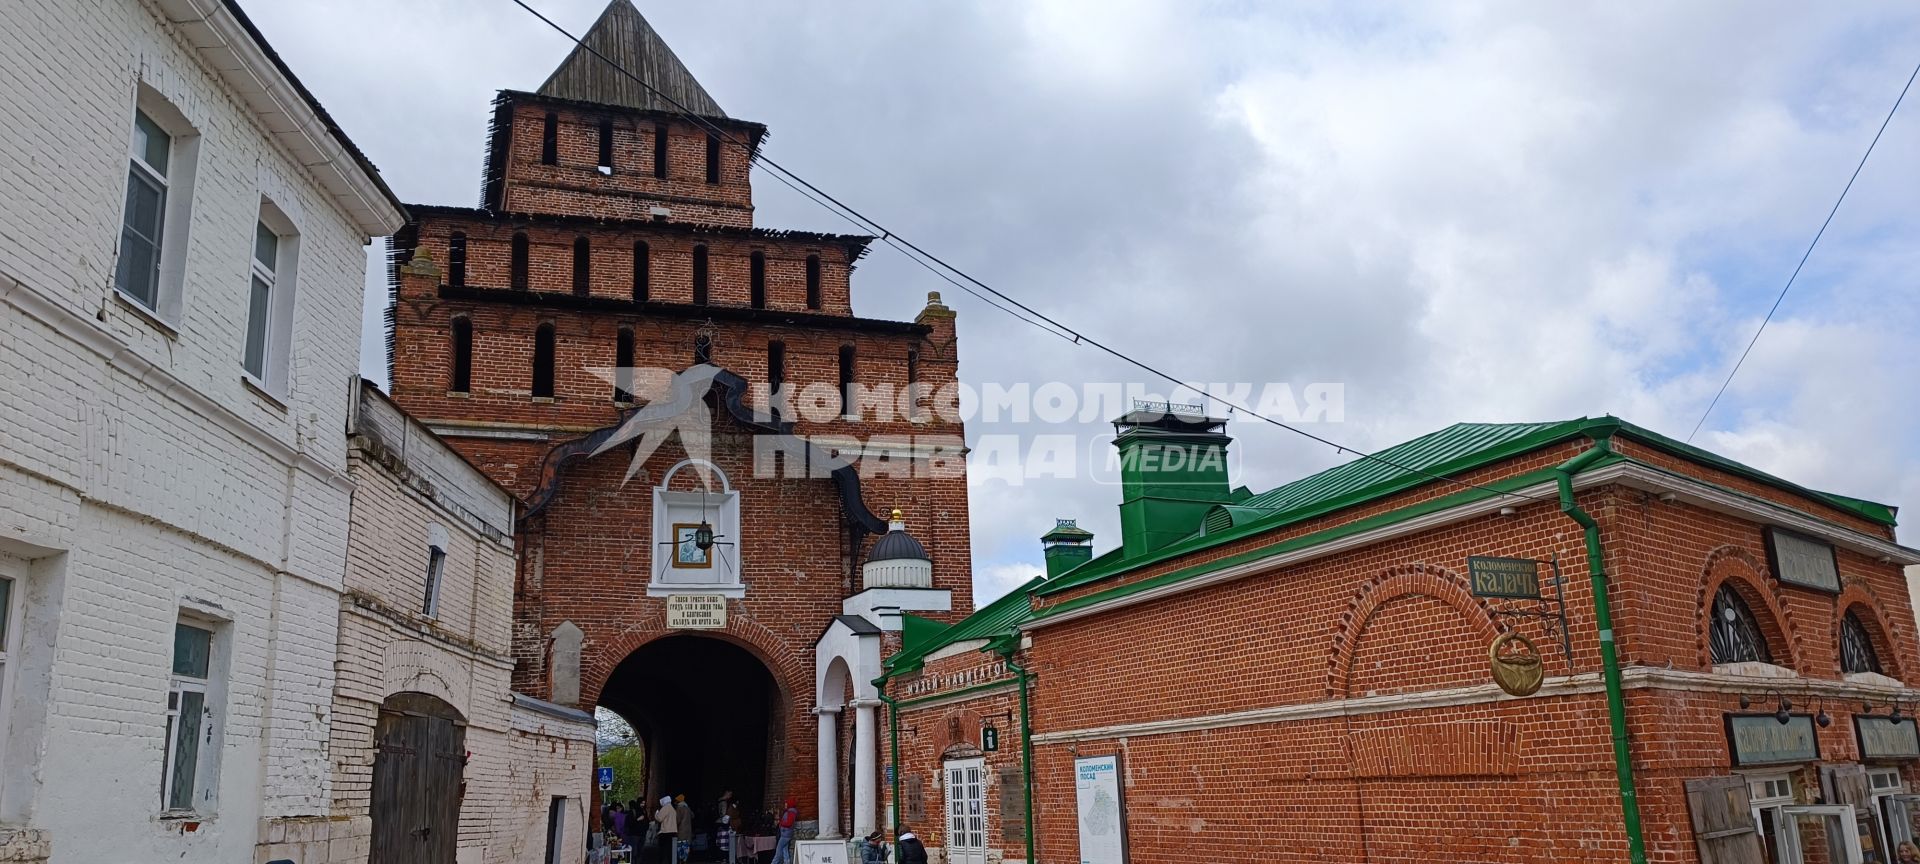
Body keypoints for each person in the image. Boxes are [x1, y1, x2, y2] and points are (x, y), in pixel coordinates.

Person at [769, 798, 800, 864]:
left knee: (778, 849)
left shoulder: (790, 812)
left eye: (786, 803)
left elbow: (789, 823)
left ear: (790, 804)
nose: (785, 804)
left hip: (785, 835)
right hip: (786, 834)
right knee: (784, 850)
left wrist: (781, 823)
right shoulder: (789, 812)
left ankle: (774, 862)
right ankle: (787, 862)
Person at [654, 796, 678, 864]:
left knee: (662, 849)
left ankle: (661, 861)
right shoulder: (672, 808)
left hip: (665, 831)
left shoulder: (665, 808)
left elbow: (659, 818)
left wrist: (656, 814)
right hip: (673, 831)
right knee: (671, 849)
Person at [673, 794, 695, 863]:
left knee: (680, 846)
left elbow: (677, 820)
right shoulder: (687, 807)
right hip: (688, 831)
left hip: (681, 830)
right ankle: (685, 860)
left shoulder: (679, 808)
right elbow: (693, 816)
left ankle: (681, 860)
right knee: (686, 846)